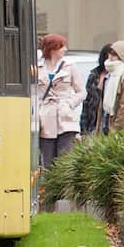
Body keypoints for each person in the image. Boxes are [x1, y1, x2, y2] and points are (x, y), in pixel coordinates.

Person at [36, 34, 85, 168]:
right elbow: (32, 92)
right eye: (62, 46)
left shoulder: (69, 66)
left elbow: (81, 91)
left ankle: (63, 188)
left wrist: (70, 104)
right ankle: (48, 188)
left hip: (66, 118)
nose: (65, 49)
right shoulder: (37, 68)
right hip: (45, 118)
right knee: (47, 161)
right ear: (53, 48)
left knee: (65, 160)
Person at [98, 40, 124, 133]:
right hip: (106, 124)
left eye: (114, 54)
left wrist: (116, 129)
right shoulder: (110, 74)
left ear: (122, 56)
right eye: (109, 53)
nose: (110, 56)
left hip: (119, 131)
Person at [80, 43, 111, 135]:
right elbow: (86, 103)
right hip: (93, 123)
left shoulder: (120, 75)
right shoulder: (94, 75)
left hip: (109, 122)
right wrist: (83, 130)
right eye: (110, 56)